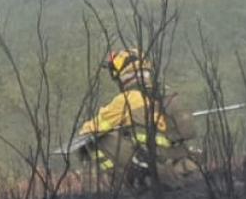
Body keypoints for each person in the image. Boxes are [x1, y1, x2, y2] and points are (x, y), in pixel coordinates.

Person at [77, 48, 193, 187]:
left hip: (152, 163)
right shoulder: (167, 94)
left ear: (123, 74)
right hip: (175, 158)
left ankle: (122, 182)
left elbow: (90, 129)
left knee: (91, 142)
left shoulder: (127, 99)